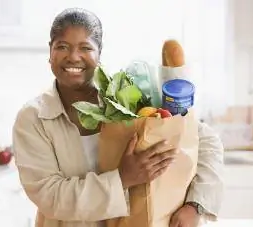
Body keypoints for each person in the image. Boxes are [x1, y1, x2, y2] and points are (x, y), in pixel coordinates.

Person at [12, 7, 224, 227]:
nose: (73, 56)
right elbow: (51, 196)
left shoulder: (127, 96)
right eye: (62, 46)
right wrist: (123, 178)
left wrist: (196, 205)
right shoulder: (33, 118)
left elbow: (207, 141)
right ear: (50, 52)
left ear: (99, 54)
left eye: (85, 47)